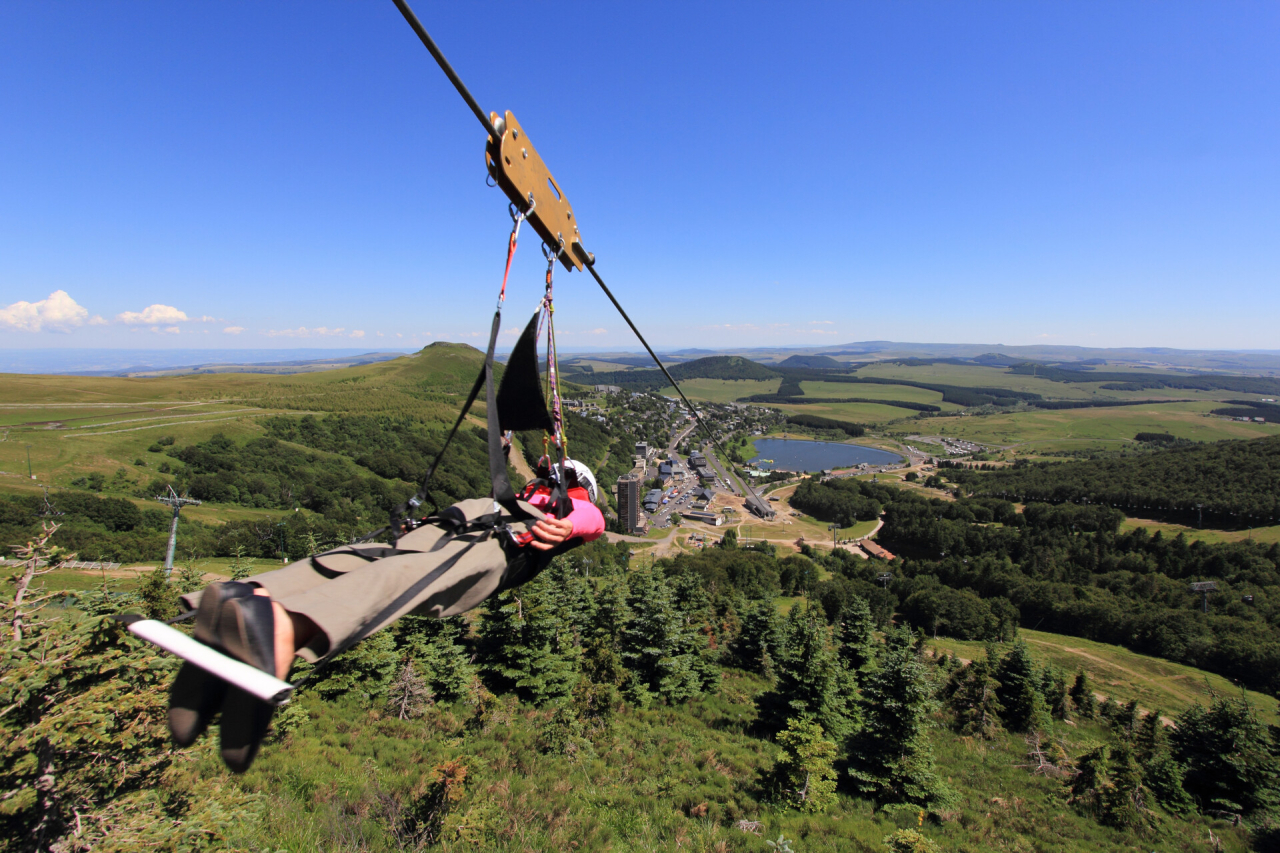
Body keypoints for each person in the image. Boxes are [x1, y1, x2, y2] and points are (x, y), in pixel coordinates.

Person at [168, 459, 604, 772]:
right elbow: (593, 519)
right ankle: (284, 627)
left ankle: (248, 595)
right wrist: (566, 523)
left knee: (372, 557)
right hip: (506, 539)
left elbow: (582, 515)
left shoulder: (538, 491)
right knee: (406, 578)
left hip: (469, 513)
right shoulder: (569, 503)